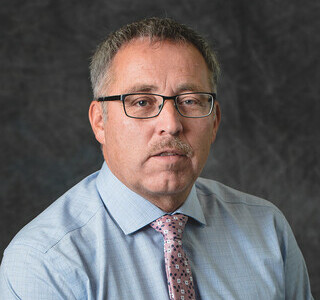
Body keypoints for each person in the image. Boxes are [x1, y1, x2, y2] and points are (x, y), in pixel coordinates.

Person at [0, 17, 313, 300]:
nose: (171, 123)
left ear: (214, 121)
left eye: (189, 101)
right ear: (100, 122)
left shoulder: (268, 229)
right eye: (141, 102)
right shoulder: (45, 261)